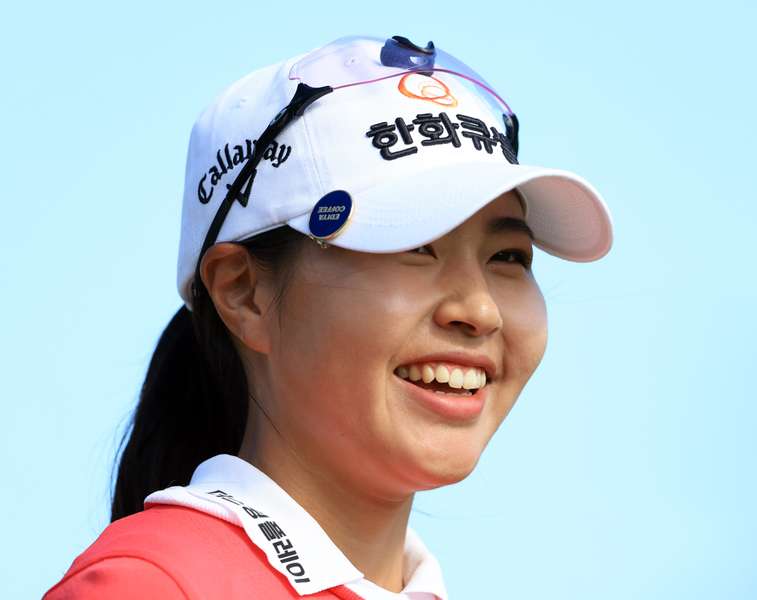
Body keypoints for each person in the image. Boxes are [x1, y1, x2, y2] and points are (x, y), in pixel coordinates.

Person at [43, 34, 613, 599]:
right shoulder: (148, 585)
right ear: (243, 294)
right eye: (412, 244)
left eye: (508, 257)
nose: (480, 310)